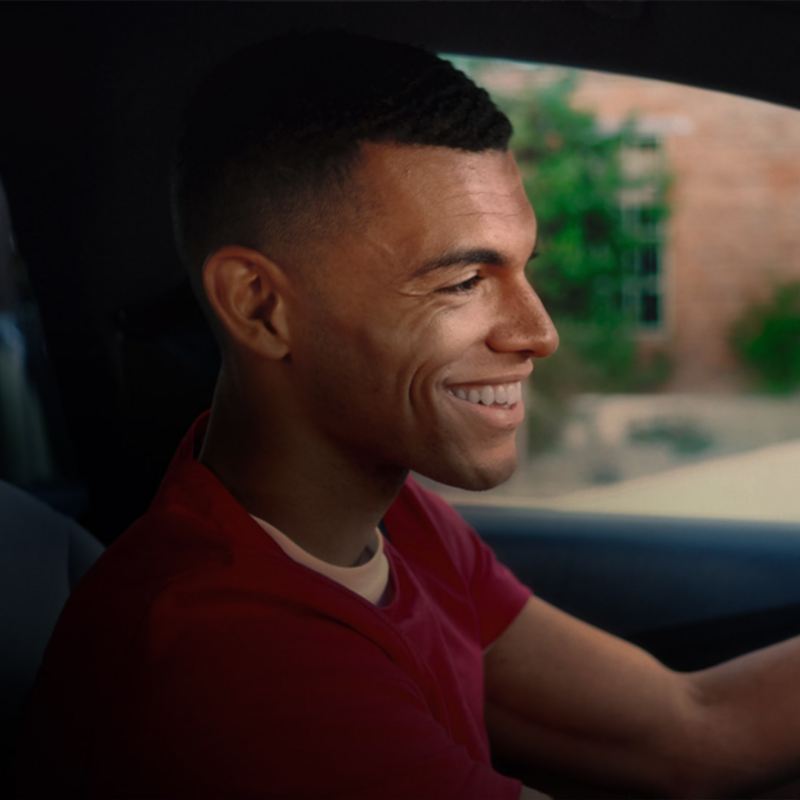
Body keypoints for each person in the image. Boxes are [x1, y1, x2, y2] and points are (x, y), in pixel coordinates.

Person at [15, 31, 800, 799]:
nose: (539, 333)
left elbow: (687, 728)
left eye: (521, 267)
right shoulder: (234, 668)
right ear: (260, 308)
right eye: (462, 281)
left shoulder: (394, 521)